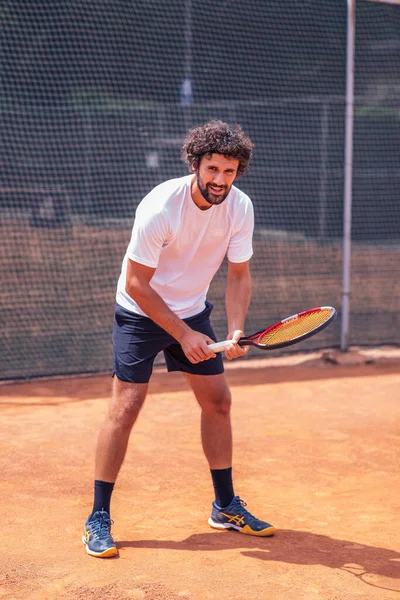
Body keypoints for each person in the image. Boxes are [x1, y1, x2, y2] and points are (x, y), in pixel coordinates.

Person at [82, 120, 276, 558]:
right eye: (212, 169)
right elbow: (136, 283)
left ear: (238, 171)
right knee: (126, 407)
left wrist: (236, 328)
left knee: (218, 401)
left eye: (229, 171)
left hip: (192, 311)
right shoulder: (161, 207)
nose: (219, 180)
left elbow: (239, 274)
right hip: (140, 312)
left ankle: (224, 506)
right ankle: (98, 515)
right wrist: (183, 334)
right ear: (195, 165)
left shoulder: (240, 208)